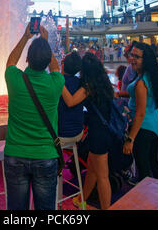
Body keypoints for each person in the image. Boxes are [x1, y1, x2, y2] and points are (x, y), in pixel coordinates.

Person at [4, 23, 64, 211]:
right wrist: (45, 43)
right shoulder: (56, 82)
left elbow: (11, 62)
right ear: (47, 61)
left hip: (15, 155)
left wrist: (25, 37)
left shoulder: (14, 78)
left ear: (27, 59)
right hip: (46, 157)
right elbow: (55, 67)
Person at [61, 52, 115, 210]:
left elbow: (70, 101)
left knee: (102, 176)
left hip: (99, 134)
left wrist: (59, 81)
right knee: (91, 169)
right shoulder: (103, 83)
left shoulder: (88, 87)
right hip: (101, 131)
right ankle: (82, 200)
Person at [123, 42, 158, 183]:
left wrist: (130, 139)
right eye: (132, 55)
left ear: (145, 59)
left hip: (143, 128)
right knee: (155, 165)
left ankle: (149, 202)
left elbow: (140, 113)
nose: (132, 59)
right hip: (154, 125)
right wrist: (119, 94)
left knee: (144, 173)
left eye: (137, 56)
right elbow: (141, 98)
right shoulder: (149, 76)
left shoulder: (141, 82)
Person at [58, 51, 83, 146]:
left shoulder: (56, 82)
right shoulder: (80, 83)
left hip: (60, 134)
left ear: (63, 64)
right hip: (77, 132)